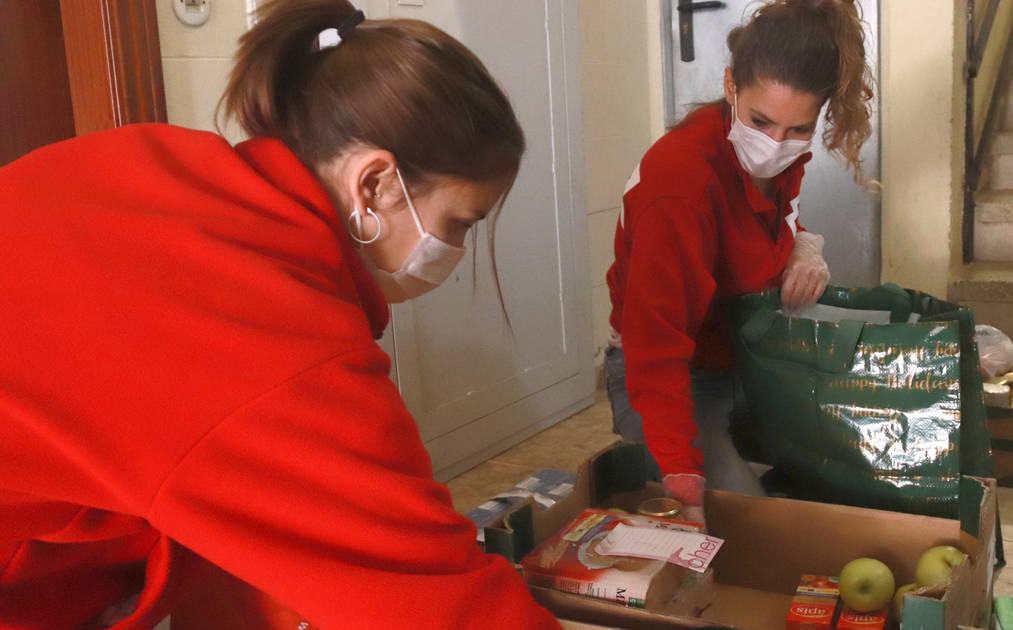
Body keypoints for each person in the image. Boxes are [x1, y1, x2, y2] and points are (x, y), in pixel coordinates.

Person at [0, 1, 560, 628]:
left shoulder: (157, 168)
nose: (454, 252)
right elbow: (435, 604)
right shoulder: (268, 337)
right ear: (372, 185)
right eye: (458, 222)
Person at [605, 0, 874, 525]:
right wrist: (681, 474)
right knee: (749, 524)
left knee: (854, 465)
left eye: (799, 129)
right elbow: (655, 348)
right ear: (731, 85)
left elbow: (771, 226)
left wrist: (802, 245)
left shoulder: (777, 159)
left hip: (741, 356)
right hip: (671, 373)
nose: (775, 145)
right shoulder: (679, 186)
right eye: (761, 121)